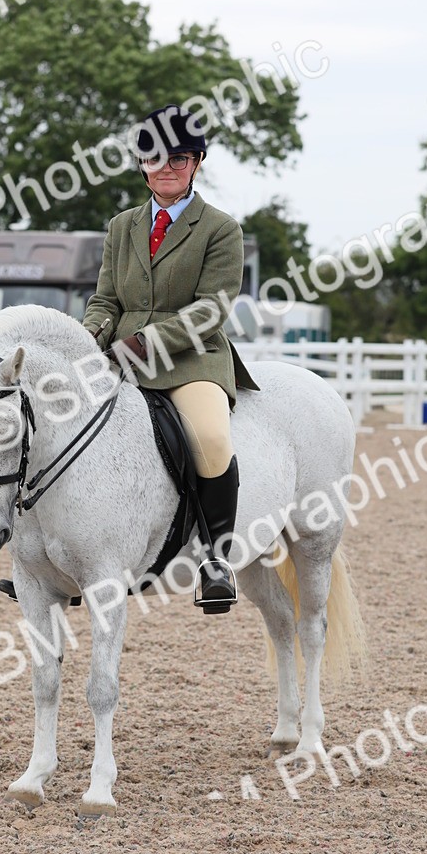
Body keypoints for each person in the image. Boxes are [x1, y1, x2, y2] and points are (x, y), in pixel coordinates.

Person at [82, 104, 259, 608]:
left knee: (208, 435)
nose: (166, 166)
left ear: (197, 162)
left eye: (178, 158)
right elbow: (107, 300)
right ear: (141, 163)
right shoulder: (121, 226)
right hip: (121, 355)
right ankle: (56, 556)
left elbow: (213, 309)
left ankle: (217, 559)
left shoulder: (220, 229)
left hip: (191, 359)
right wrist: (90, 333)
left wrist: (146, 343)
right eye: (155, 157)